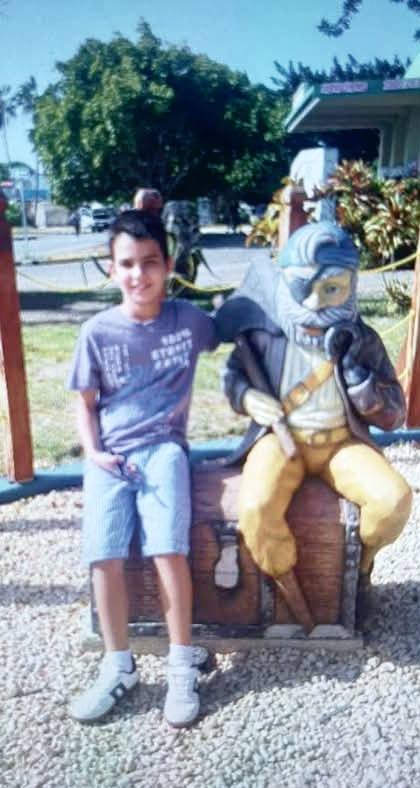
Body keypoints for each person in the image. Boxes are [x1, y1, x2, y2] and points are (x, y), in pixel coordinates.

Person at [215, 220, 412, 623]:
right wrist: (248, 397)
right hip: (280, 439)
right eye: (301, 287)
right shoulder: (265, 332)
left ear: (351, 285)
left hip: (341, 443)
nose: (313, 302)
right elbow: (233, 375)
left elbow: (394, 414)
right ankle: (285, 586)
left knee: (393, 501)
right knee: (255, 507)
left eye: (331, 289)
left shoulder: (361, 340)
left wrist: (361, 384)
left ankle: (359, 572)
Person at [68, 209, 218, 726]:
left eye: (150, 262)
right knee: (103, 555)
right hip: (110, 455)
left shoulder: (188, 321)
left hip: (164, 449)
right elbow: (85, 402)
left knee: (168, 550)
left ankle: (181, 665)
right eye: (127, 264)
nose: (139, 274)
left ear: (169, 265)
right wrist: (93, 452)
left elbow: (234, 326)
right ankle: (118, 665)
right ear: (112, 269)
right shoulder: (96, 332)